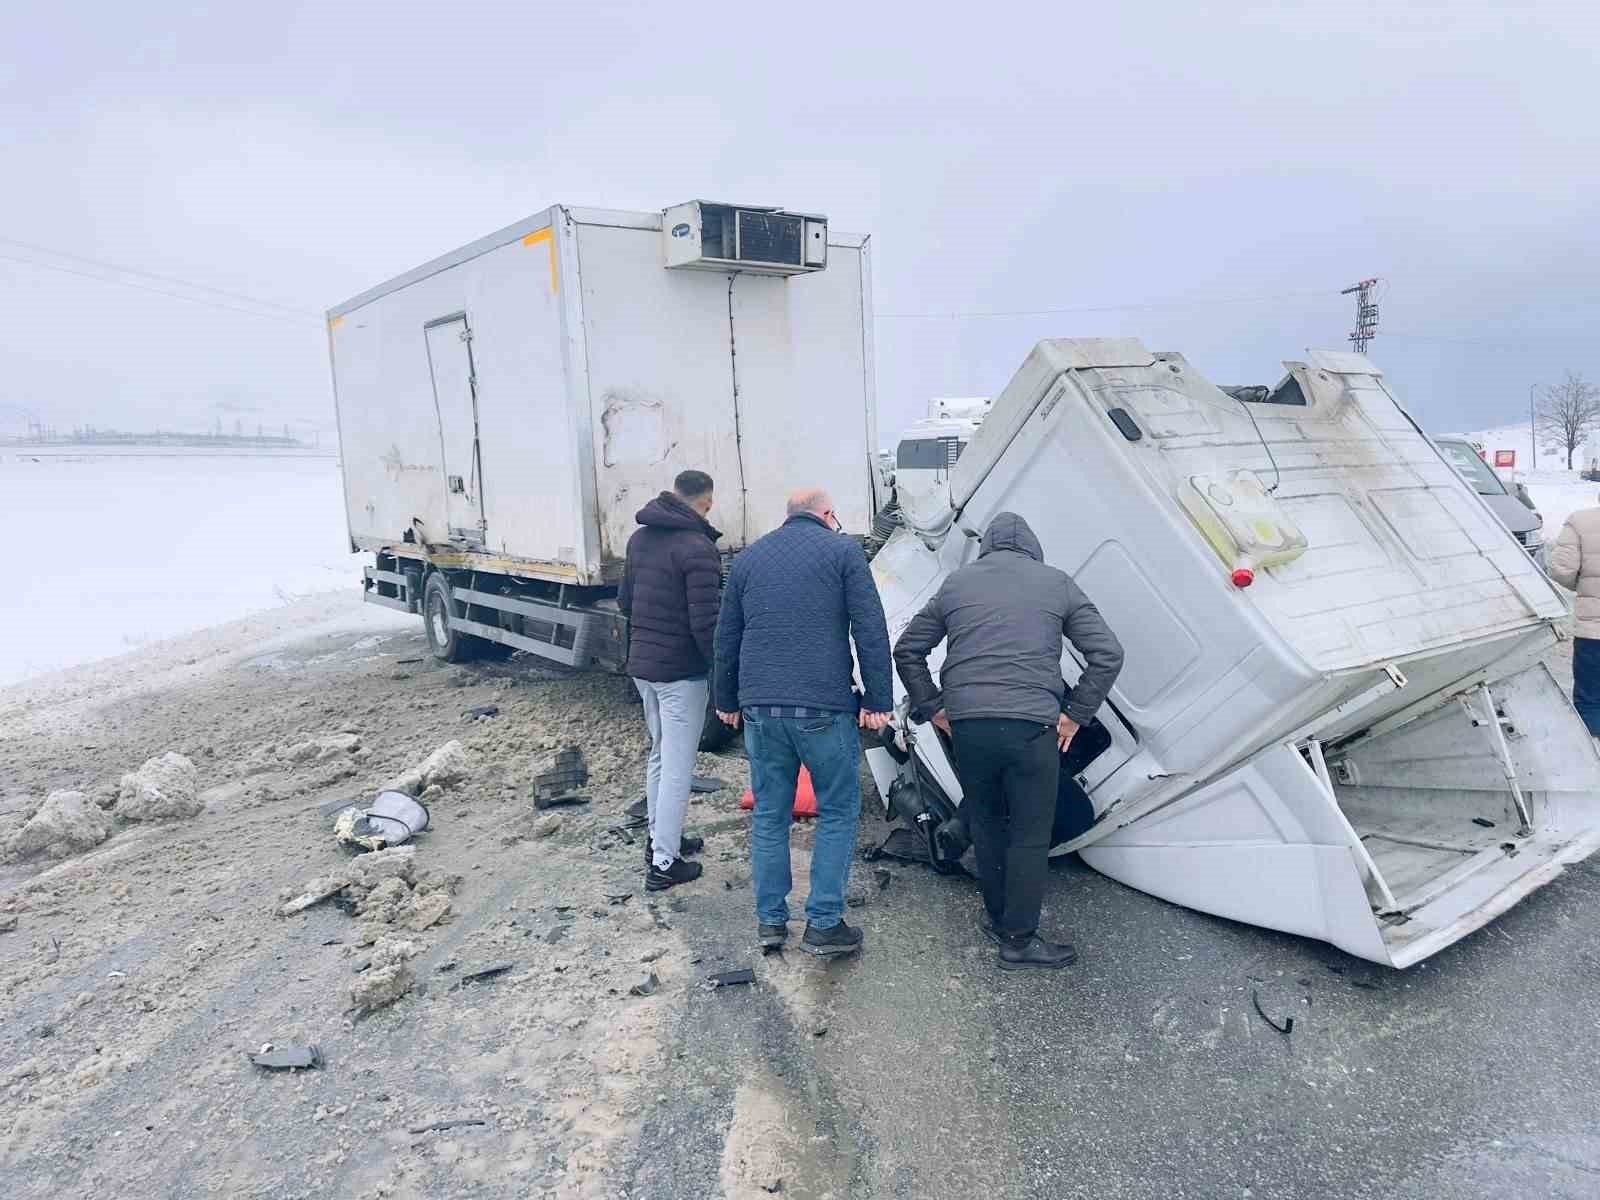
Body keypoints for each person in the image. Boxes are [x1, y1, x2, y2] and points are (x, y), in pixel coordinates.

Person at [893, 512, 1124, 971]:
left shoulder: (958, 584)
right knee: (1029, 835)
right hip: (1031, 728)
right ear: (1032, 548)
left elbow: (908, 649)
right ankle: (1018, 940)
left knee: (988, 823)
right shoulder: (1056, 583)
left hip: (970, 728)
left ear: (988, 548)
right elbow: (1108, 653)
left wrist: (935, 708)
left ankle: (1000, 921)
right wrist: (1075, 716)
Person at [714, 488, 893, 956]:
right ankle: (823, 924)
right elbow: (869, 627)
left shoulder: (750, 558)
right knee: (836, 810)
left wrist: (726, 698)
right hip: (823, 708)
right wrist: (878, 699)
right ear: (828, 515)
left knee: (770, 815)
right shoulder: (843, 551)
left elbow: (727, 632)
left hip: (760, 710)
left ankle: (771, 923)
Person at [618, 470, 721, 891]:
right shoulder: (697, 547)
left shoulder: (639, 538)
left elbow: (625, 601)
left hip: (643, 666)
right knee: (679, 765)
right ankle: (664, 864)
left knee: (661, 755)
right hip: (680, 673)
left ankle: (662, 838)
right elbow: (706, 623)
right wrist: (722, 667)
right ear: (707, 502)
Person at [1547, 497, 1600, 739]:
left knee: (1590, 699)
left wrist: (1585, 587)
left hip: (1592, 631)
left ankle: (1590, 753)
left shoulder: (1579, 521)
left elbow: (1561, 569)